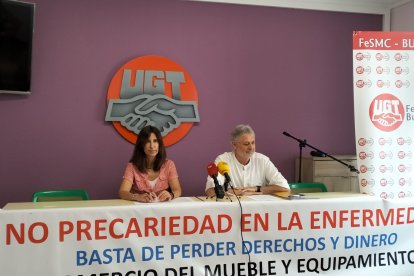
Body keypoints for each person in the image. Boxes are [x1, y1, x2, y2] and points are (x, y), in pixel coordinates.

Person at [205, 124, 290, 197]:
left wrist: (257, 189)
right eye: (246, 144)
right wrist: (238, 193)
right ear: (234, 145)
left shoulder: (263, 160)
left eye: (253, 143)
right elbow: (210, 191)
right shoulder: (222, 160)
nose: (251, 148)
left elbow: (284, 187)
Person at [119, 125, 182, 202]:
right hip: (140, 211)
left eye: (155, 141)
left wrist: (171, 195)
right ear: (142, 145)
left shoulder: (169, 164)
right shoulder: (132, 166)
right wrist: (137, 197)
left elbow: (177, 190)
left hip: (163, 211)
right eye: (147, 142)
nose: (152, 146)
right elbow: (122, 192)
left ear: (159, 144)